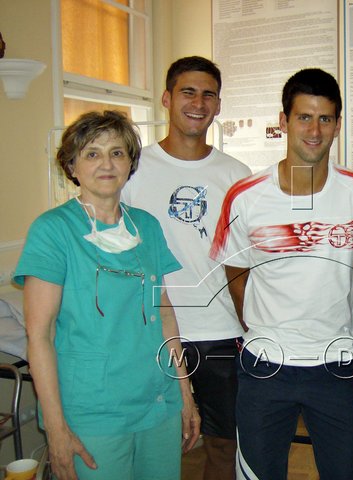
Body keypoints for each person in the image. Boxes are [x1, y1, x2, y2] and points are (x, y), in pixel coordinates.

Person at [210, 68, 353, 480]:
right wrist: (263, 324)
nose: (315, 130)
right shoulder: (246, 197)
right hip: (265, 366)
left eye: (325, 119)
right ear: (283, 121)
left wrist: (332, 315)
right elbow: (235, 273)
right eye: (304, 117)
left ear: (338, 124)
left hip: (337, 364)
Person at [14, 111, 200, 480]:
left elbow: (164, 314)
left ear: (130, 163)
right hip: (93, 412)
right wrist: (56, 429)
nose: (106, 164)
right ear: (72, 166)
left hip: (158, 402)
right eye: (92, 153)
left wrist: (185, 392)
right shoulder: (53, 231)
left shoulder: (147, 225)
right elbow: (40, 336)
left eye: (117, 153)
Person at [121, 56, 251, 480]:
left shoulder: (236, 174)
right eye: (188, 92)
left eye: (208, 94)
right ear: (166, 98)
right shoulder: (132, 169)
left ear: (219, 105)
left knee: (223, 444)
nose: (198, 103)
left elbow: (243, 259)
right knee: (154, 444)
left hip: (221, 332)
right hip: (151, 331)